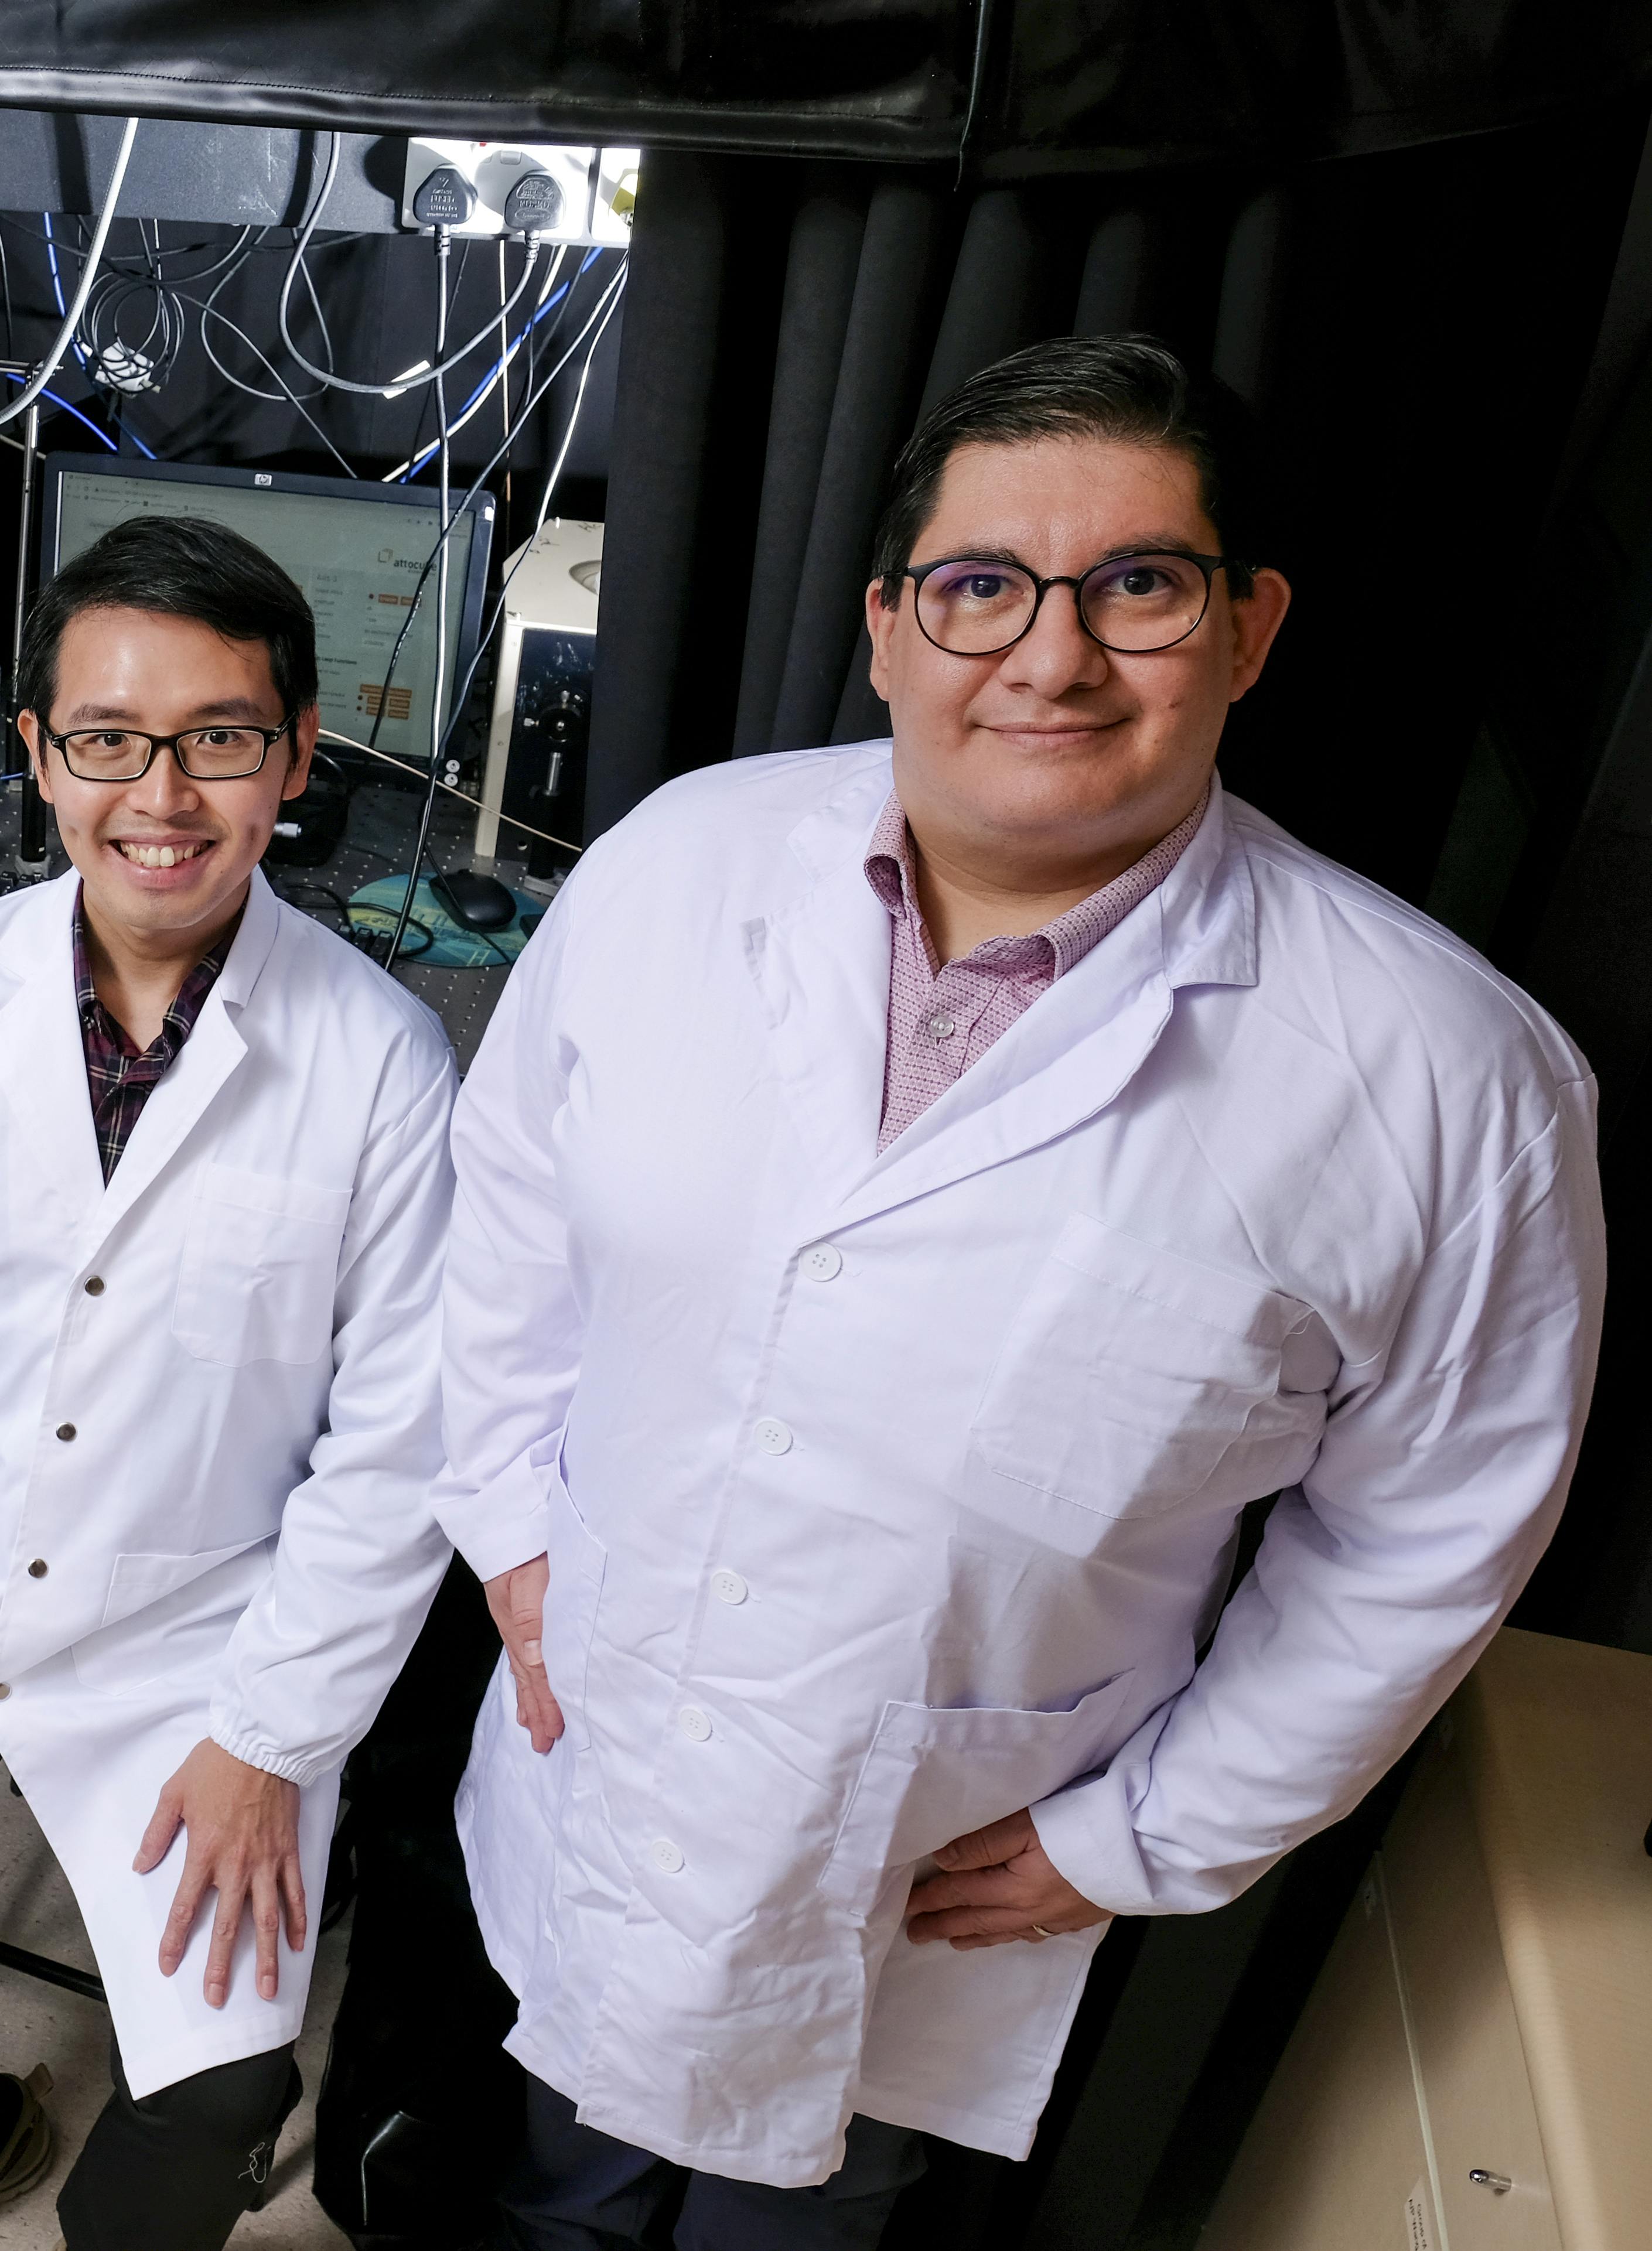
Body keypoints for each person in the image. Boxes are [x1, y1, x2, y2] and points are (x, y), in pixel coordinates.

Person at [433, 333, 1608, 2243]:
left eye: (1136, 585)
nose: (1049, 657)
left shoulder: (1445, 1079)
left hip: (935, 1859)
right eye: (981, 587)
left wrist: (1139, 1834)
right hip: (602, 1743)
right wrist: (505, 1518)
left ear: (1246, 629)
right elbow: (500, 1216)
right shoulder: (679, 861)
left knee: (797, 2210)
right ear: (890, 626)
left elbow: (1426, 1539)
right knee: (556, 2150)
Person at [0, 514, 459, 2251]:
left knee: (210, 2104)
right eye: (108, 740)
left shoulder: (378, 1063)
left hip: (199, 1631)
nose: (162, 795)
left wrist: (267, 1738)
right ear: (35, 753)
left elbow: (396, 1448)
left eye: (220, 739)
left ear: (298, 755)